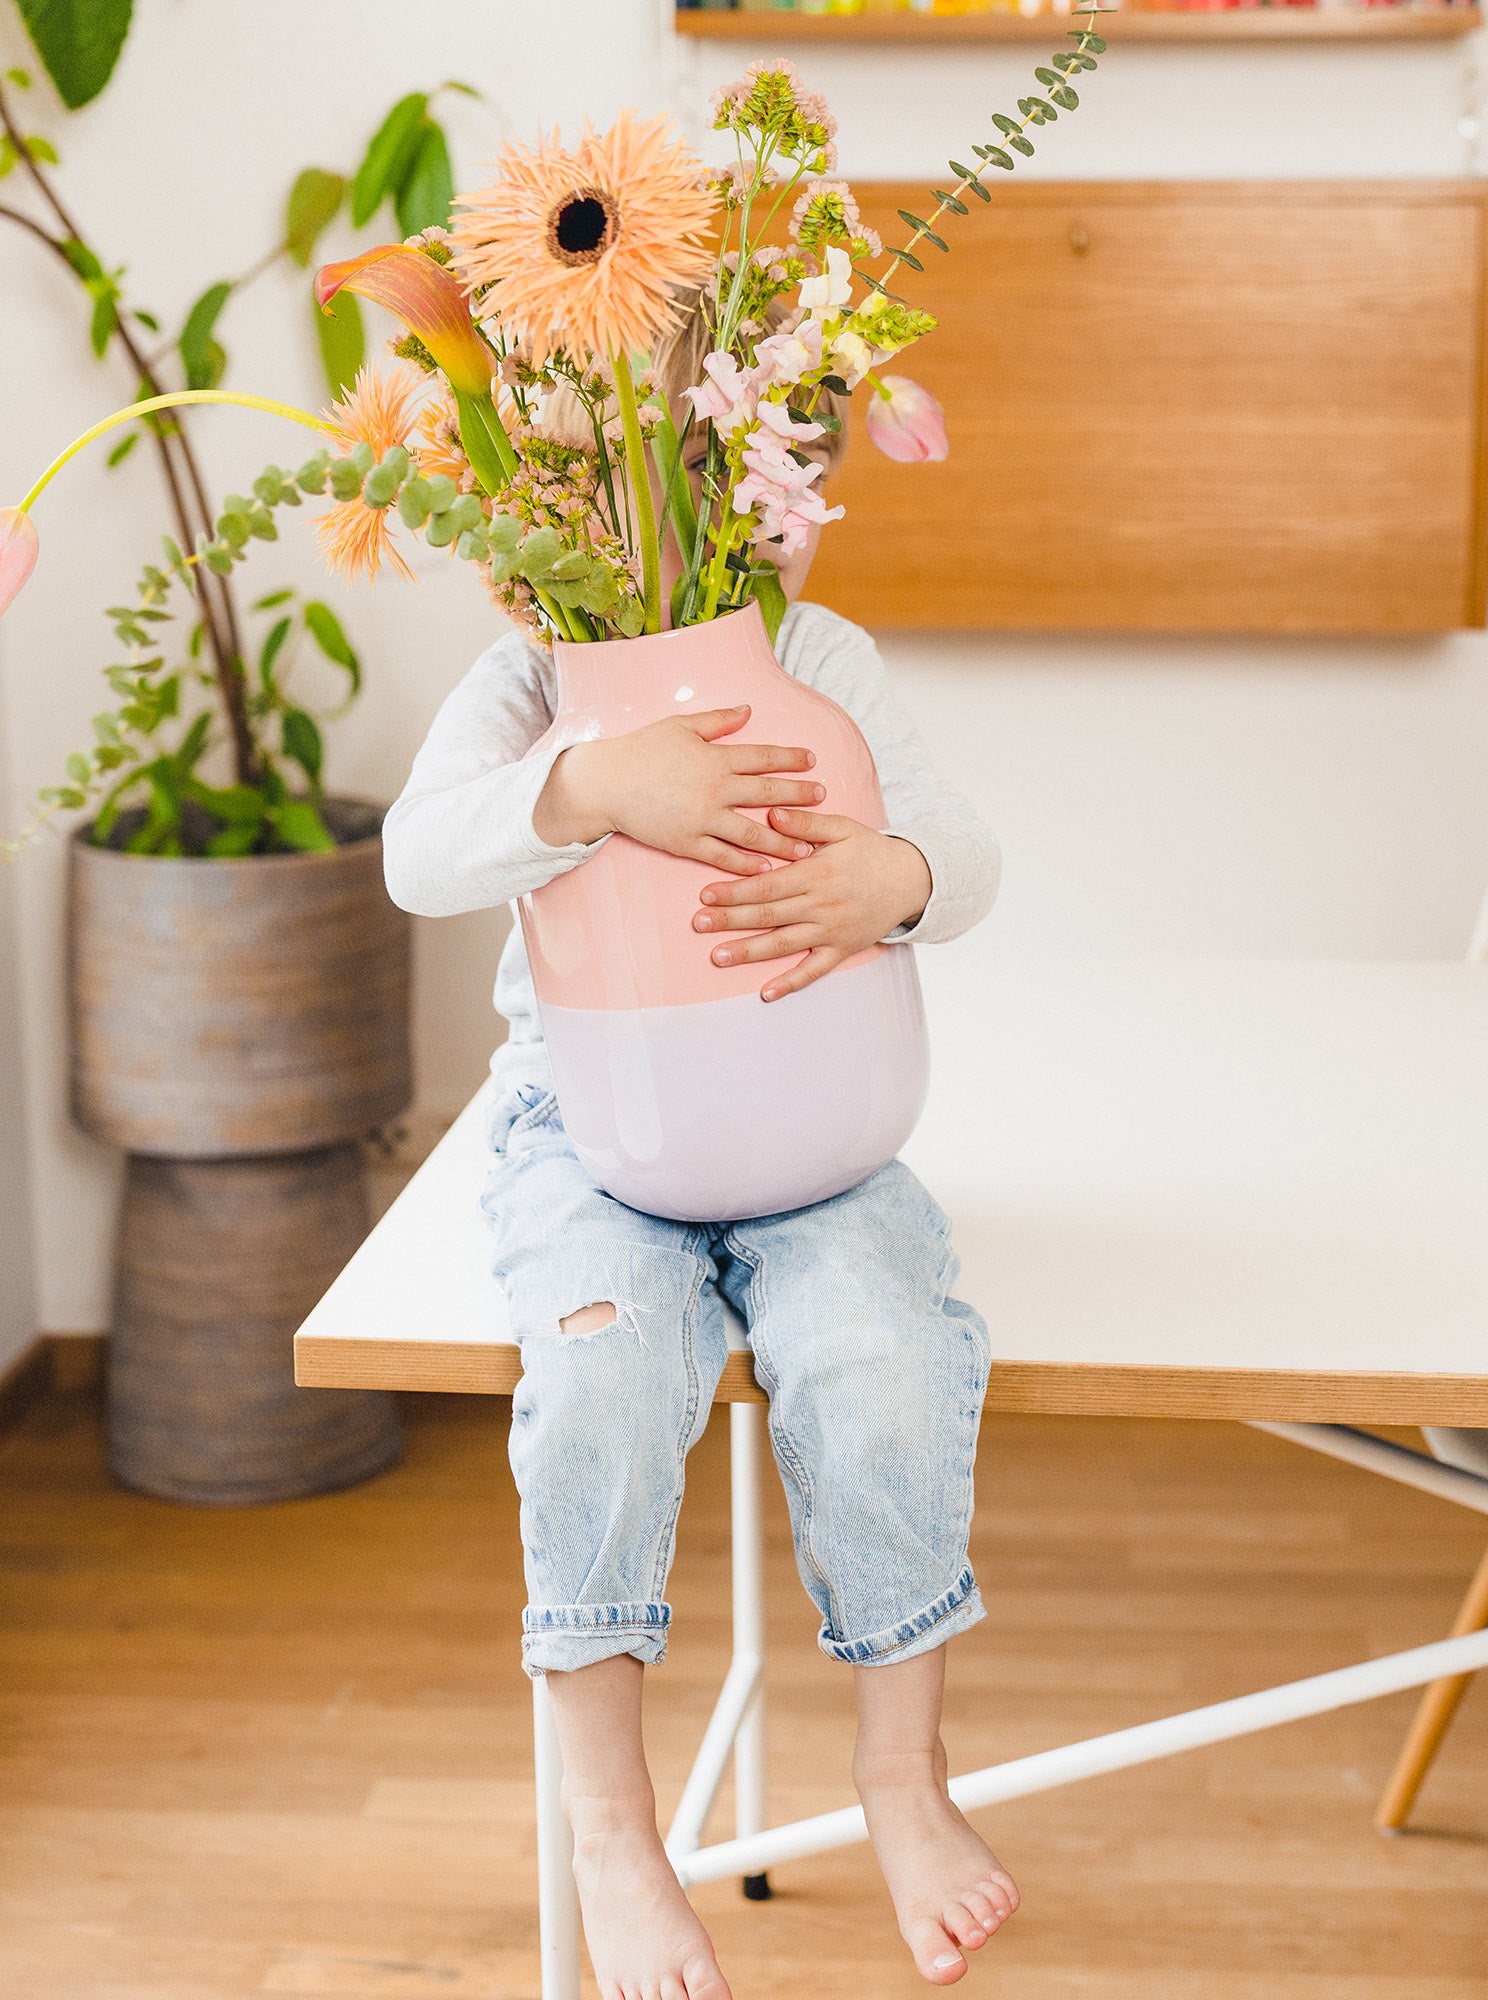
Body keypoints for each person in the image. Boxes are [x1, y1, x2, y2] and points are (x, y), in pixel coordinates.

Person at [382, 314, 1009, 2000]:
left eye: (790, 479)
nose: (760, 513)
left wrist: (893, 883)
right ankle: (611, 1824)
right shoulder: (527, 682)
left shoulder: (826, 656)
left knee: (879, 1359)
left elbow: (967, 851)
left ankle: (901, 1768)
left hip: (820, 1129)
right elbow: (420, 855)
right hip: (594, 1134)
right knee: (592, 1390)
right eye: (734, 476)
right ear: (565, 490)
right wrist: (588, 780)